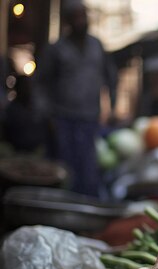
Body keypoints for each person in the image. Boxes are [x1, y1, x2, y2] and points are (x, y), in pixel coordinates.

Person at [34, 0, 117, 197]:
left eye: (83, 15)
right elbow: (40, 83)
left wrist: (112, 107)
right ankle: (63, 208)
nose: (81, 21)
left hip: (89, 117)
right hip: (62, 118)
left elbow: (111, 78)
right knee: (64, 168)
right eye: (76, 17)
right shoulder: (56, 49)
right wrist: (46, 115)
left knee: (88, 168)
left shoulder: (97, 46)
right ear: (68, 21)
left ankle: (87, 209)